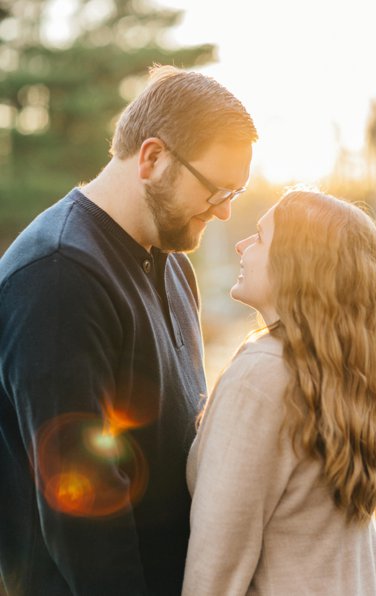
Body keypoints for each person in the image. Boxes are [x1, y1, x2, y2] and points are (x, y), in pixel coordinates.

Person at [0, 65, 257, 594]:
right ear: (153, 158)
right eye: (216, 189)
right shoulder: (58, 275)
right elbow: (84, 512)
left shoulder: (169, 258)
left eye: (236, 191)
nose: (226, 211)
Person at [181, 189, 376, 595]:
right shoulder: (345, 376)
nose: (242, 245)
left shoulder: (260, 376)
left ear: (297, 263)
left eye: (260, 237)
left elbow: (215, 567)